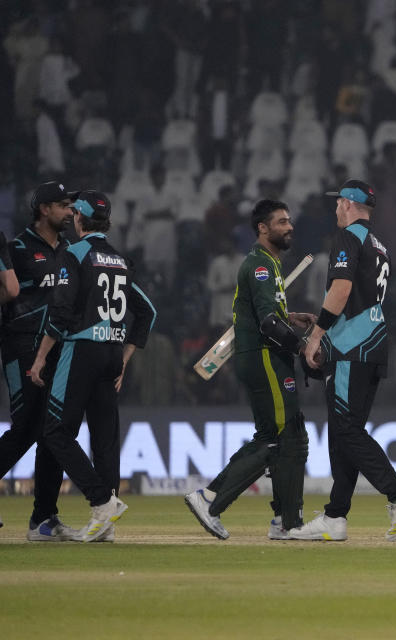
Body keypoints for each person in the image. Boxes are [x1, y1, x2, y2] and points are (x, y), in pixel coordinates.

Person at [291, 179, 396, 542]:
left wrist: (318, 333)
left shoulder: (348, 238)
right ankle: (336, 516)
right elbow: (359, 298)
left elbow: (342, 289)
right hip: (373, 341)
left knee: (346, 430)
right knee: (343, 433)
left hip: (352, 346)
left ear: (348, 205)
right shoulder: (379, 245)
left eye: (338, 203)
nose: (335, 209)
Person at [29, 190, 156, 543]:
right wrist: (125, 359)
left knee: (55, 431)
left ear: (78, 219)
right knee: (105, 439)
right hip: (112, 354)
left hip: (80, 350)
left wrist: (40, 358)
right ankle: (106, 526)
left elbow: (60, 314)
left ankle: (102, 502)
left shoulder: (75, 253)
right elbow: (148, 312)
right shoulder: (120, 259)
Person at [185, 199, 315, 540]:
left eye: (290, 221)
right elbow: (269, 324)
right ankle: (210, 498)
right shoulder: (260, 265)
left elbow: (268, 314)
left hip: (269, 357)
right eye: (282, 221)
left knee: (293, 437)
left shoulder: (269, 264)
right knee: (276, 440)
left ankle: (287, 522)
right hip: (264, 358)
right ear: (262, 228)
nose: (289, 227)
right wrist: (302, 347)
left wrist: (291, 317)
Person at [0, 181, 82, 541]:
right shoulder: (16, 248)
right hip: (22, 347)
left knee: (52, 431)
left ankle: (44, 519)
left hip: (58, 350)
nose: (70, 211)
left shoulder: (69, 249)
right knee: (26, 429)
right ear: (43, 209)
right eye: (63, 205)